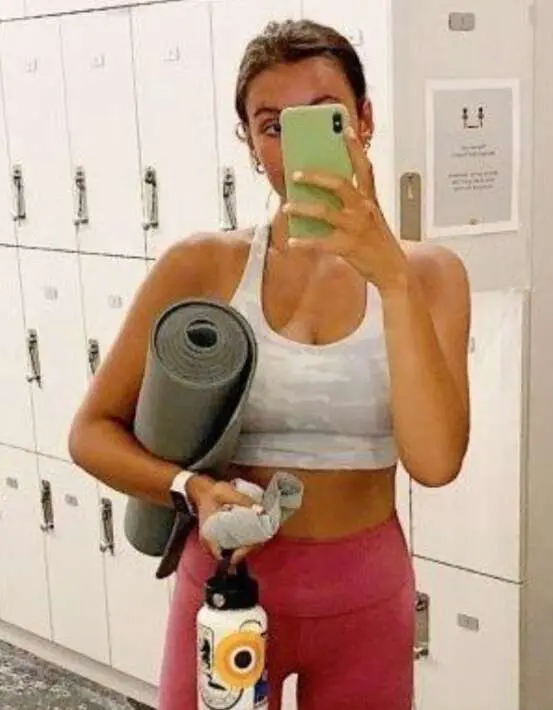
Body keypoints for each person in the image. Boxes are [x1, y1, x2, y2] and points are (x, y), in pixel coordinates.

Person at [68, 18, 471, 710]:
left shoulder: (430, 276)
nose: (293, 144)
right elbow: (90, 432)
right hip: (227, 585)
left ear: (364, 121)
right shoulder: (202, 265)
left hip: (365, 593)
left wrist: (391, 278)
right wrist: (191, 489)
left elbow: (435, 464)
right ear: (251, 145)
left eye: (323, 117)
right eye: (271, 126)